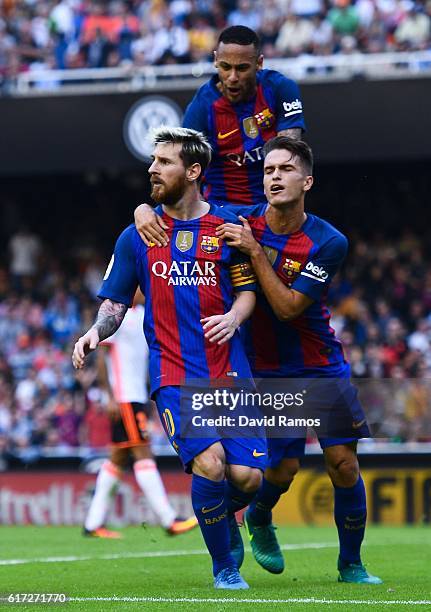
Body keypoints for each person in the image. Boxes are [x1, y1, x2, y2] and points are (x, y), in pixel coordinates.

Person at [73, 127, 267, 590]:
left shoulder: (226, 227)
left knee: (249, 478)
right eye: (153, 160)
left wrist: (235, 318)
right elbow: (116, 304)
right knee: (212, 463)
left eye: (164, 161)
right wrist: (94, 333)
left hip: (230, 371)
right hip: (175, 373)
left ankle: (222, 523)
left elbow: (246, 292)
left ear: (193, 171)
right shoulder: (136, 235)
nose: (152, 168)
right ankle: (224, 568)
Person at [216, 136, 382, 584]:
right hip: (265, 366)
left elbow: (290, 308)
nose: (274, 177)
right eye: (268, 170)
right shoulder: (238, 220)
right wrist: (142, 212)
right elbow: (182, 212)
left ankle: (352, 564)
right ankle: (258, 516)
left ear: (307, 180)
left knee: (343, 464)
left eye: (285, 169)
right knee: (283, 468)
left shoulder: (329, 241)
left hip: (318, 362)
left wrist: (252, 250)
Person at [135, 25, 306, 247]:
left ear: (259, 63)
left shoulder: (281, 89)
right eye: (225, 67)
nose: (232, 77)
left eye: (242, 68)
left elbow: (289, 156)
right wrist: (145, 209)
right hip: (222, 218)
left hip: (273, 212)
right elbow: (181, 171)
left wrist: (277, 212)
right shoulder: (201, 108)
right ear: (215, 60)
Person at [83, 290, 198, 538]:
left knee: (118, 459)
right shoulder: (115, 314)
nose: (144, 287)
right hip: (124, 397)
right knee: (143, 452)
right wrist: (109, 396)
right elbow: (102, 358)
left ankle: (92, 523)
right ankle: (169, 519)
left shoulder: (144, 315)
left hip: (137, 396)